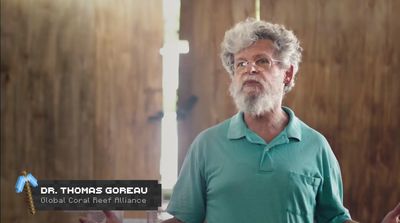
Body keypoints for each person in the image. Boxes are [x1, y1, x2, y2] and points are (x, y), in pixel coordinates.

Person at [79, 18, 400, 223]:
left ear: (287, 73)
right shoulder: (207, 145)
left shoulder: (316, 146)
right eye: (241, 63)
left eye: (262, 61)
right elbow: (184, 220)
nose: (250, 69)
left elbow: (333, 219)